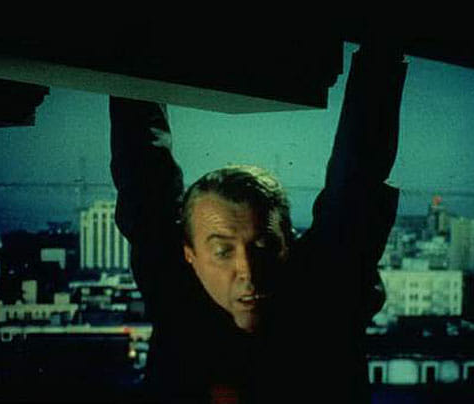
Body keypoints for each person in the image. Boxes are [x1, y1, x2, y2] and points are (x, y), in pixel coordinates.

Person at [110, 39, 407, 403]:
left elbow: (359, 179)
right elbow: (142, 168)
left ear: (288, 245)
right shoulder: (178, 286)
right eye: (223, 251)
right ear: (191, 256)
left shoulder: (323, 291)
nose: (248, 272)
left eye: (263, 247)